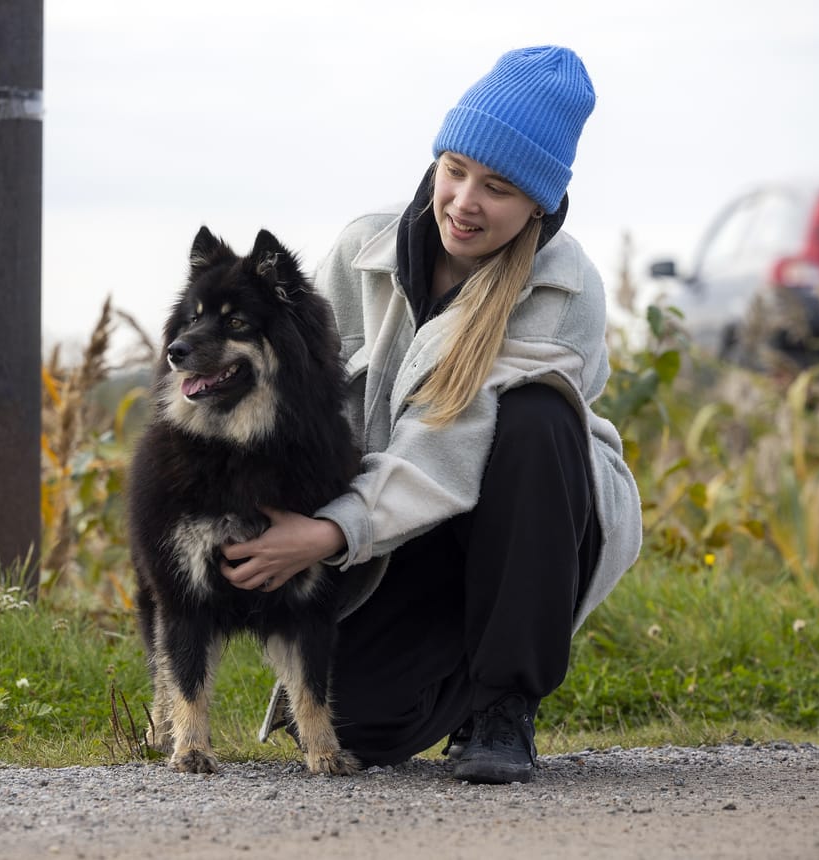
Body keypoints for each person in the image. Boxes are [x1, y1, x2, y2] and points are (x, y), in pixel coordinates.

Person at [220, 45, 642, 785]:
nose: (465, 202)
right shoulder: (361, 249)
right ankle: (463, 665)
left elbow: (450, 444)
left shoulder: (564, 290)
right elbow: (307, 399)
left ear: (538, 204)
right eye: (455, 170)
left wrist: (326, 534)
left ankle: (504, 701)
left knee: (539, 415)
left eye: (499, 188)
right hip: (400, 529)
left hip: (529, 518)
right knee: (351, 723)